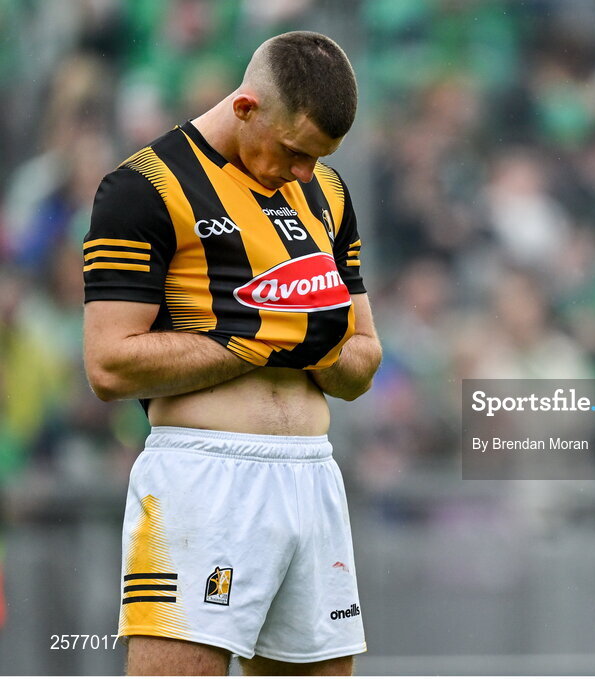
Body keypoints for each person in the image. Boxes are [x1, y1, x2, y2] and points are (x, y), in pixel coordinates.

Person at [81, 31, 381, 676]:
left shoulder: (328, 194)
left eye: (319, 158)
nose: (304, 173)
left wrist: (305, 346)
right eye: (296, 152)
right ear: (246, 107)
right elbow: (108, 365)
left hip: (314, 477)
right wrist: (259, 338)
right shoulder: (144, 188)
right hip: (203, 483)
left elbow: (362, 363)